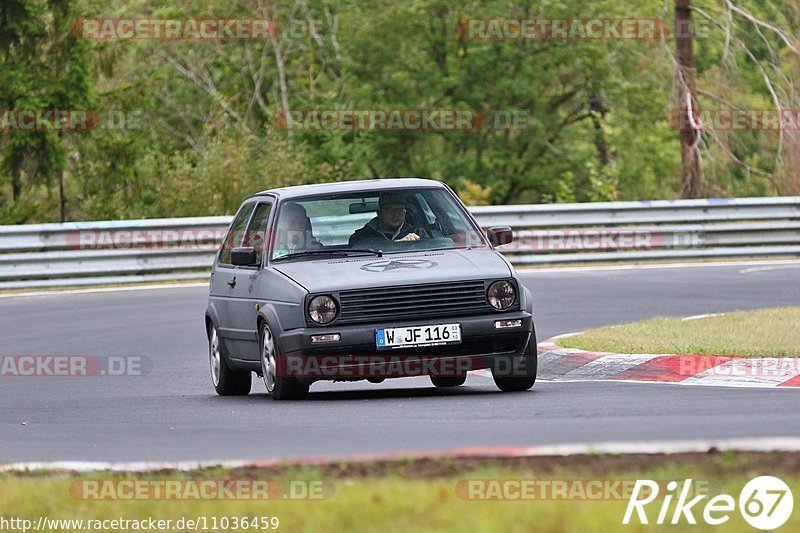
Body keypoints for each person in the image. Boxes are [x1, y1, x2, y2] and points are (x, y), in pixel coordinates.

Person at [349, 192, 430, 247]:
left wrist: (417, 242)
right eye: (390, 210)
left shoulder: (418, 232)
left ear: (405, 212)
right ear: (379, 213)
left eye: (400, 210)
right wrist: (399, 243)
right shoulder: (361, 236)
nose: (396, 214)